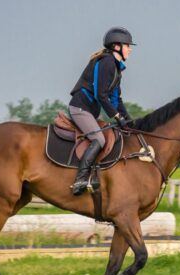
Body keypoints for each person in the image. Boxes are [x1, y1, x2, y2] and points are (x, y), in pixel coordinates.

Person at [68, 27, 135, 195]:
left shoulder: (116, 68)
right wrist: (117, 116)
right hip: (80, 108)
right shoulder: (106, 63)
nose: (130, 49)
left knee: (110, 135)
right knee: (99, 138)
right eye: (127, 45)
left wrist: (128, 122)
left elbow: (115, 99)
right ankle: (80, 179)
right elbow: (100, 95)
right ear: (117, 46)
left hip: (89, 111)